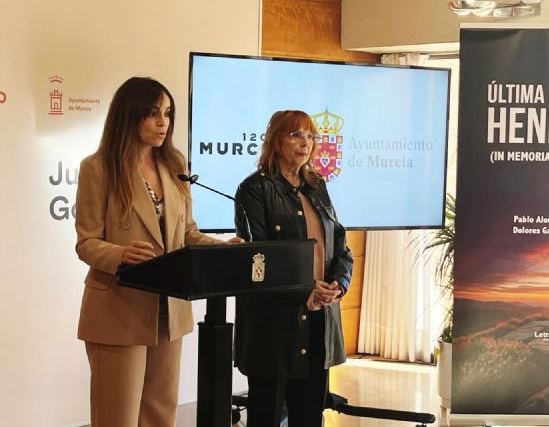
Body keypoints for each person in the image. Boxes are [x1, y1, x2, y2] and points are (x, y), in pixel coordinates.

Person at [75, 76, 241, 427]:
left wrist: (223, 248)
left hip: (170, 309)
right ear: (129, 115)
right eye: (152, 113)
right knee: (117, 417)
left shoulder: (174, 165)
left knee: (160, 416)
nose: (163, 122)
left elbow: (187, 233)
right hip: (119, 310)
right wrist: (120, 254)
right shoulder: (99, 168)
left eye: (167, 113)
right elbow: (87, 243)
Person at [234, 110, 353, 427]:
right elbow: (257, 258)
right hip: (274, 322)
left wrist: (338, 284)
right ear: (275, 141)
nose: (306, 142)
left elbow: (340, 244)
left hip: (320, 316)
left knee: (309, 413)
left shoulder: (317, 185)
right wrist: (304, 292)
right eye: (296, 134)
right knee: (267, 414)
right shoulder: (254, 189)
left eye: (311, 135)